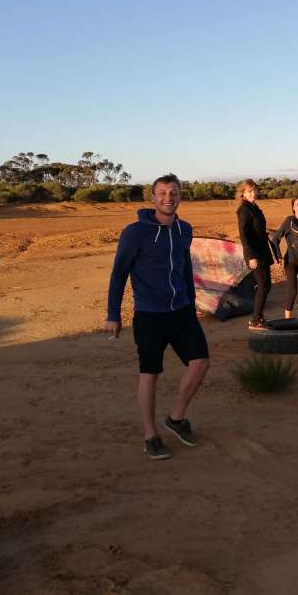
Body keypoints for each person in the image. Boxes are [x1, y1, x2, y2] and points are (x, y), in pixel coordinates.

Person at [106, 174, 210, 461]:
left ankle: (176, 418)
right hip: (149, 315)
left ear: (180, 196)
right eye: (162, 193)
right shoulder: (135, 232)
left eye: (173, 193)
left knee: (201, 363)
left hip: (182, 311)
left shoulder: (184, 229)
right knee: (149, 374)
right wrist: (113, 314)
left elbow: (185, 268)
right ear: (152, 197)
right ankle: (150, 436)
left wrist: (192, 302)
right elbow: (119, 273)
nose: (168, 198)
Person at [236, 179, 273, 330]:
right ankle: (255, 320)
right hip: (255, 254)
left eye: (255, 190)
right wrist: (250, 256)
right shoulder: (244, 209)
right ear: (243, 193)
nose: (253, 193)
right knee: (263, 285)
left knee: (266, 285)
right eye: (250, 191)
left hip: (262, 251)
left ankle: (259, 317)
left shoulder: (254, 207)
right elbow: (243, 235)